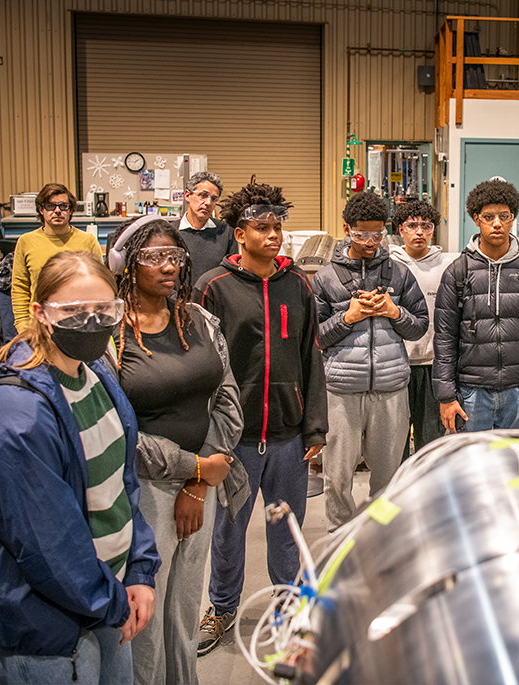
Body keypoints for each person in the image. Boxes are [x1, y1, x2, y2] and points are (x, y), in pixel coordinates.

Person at [0, 251, 160, 684]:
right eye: (75, 311)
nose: (92, 322)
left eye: (104, 310)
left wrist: (139, 571)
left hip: (108, 599)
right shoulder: (16, 412)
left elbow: (120, 487)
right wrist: (112, 601)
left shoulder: (94, 374)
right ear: (41, 313)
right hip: (48, 626)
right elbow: (46, 543)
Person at [107, 216, 243, 685]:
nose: (169, 266)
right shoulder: (110, 336)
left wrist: (199, 481)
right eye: (154, 257)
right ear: (126, 265)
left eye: (175, 256)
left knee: (184, 608)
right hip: (142, 490)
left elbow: (227, 398)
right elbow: (116, 431)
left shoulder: (199, 320)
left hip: (203, 485)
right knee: (145, 614)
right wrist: (194, 466)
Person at [194, 182, 328, 655]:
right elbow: (200, 366)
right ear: (239, 232)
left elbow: (311, 356)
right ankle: (222, 607)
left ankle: (287, 607)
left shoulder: (298, 285)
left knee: (286, 529)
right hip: (235, 439)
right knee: (228, 531)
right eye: (262, 228)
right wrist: (208, 436)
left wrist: (315, 426)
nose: (274, 235)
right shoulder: (212, 287)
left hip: (289, 436)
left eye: (277, 227)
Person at [312, 193, 428, 531]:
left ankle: (381, 540)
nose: (369, 242)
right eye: (361, 234)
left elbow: (419, 326)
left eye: (377, 234)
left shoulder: (400, 274)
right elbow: (315, 337)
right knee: (337, 478)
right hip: (341, 392)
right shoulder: (325, 278)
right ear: (346, 229)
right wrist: (346, 318)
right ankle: (340, 540)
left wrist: (394, 312)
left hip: (391, 391)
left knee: (388, 479)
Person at [433, 179, 519, 433]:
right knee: (472, 459)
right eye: (489, 217)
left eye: (504, 216)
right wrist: (446, 396)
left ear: (513, 219)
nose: (497, 223)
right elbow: (445, 337)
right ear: (476, 219)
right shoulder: (458, 272)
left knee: (515, 458)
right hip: (471, 392)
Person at [388, 199, 456, 460]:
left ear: (433, 230)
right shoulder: (389, 265)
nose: (419, 232)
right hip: (397, 365)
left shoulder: (446, 266)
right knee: (395, 443)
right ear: (400, 229)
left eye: (426, 226)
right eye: (412, 225)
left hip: (433, 365)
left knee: (431, 443)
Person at [11, 183, 103, 330]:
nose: (57, 211)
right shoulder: (26, 241)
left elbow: (99, 286)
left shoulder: (88, 241)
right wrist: (23, 326)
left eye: (63, 206)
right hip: (39, 326)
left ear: (71, 210)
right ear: (41, 210)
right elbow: (20, 288)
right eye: (50, 206)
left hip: (80, 326)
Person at [171, 171, 238, 284]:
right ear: (187, 195)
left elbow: (232, 275)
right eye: (203, 195)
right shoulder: (170, 232)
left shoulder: (226, 231)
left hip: (214, 295)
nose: (208, 203)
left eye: (214, 199)